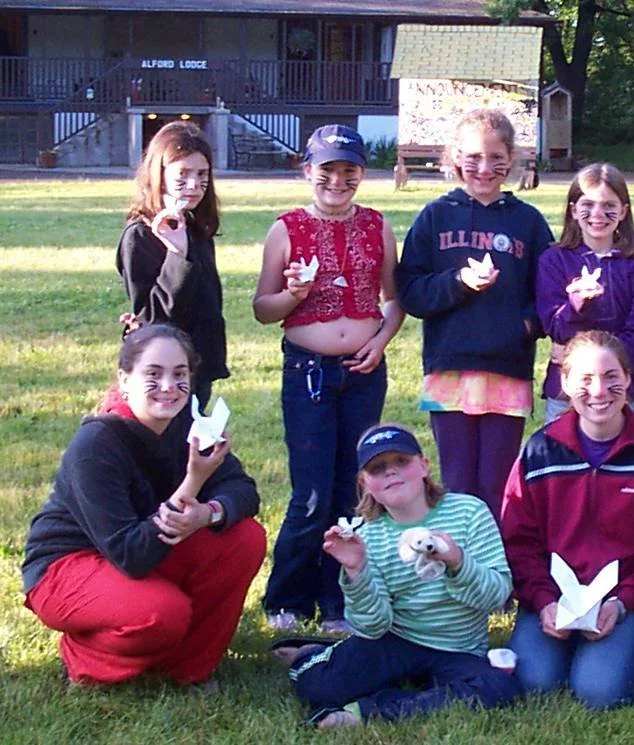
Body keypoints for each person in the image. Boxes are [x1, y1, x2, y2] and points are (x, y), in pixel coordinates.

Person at [21, 324, 266, 688]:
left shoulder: (187, 424)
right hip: (68, 565)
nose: (168, 387)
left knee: (245, 537)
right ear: (125, 380)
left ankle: (188, 667)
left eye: (179, 374)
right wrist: (194, 481)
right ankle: (84, 658)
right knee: (161, 613)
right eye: (153, 374)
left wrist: (206, 513)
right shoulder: (97, 442)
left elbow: (243, 491)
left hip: (140, 550)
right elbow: (130, 554)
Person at [253, 124, 404, 634]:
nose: (337, 181)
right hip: (309, 373)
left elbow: (394, 298)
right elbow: (262, 308)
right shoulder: (287, 228)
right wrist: (295, 294)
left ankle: (338, 597)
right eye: (327, 170)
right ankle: (287, 598)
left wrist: (380, 342)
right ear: (308, 171)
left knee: (353, 489)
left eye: (349, 171)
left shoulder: (378, 226)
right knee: (311, 493)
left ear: (361, 174)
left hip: (364, 372)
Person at [275, 424, 521, 729]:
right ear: (365, 483)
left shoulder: (470, 512)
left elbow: (496, 596)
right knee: (318, 687)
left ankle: (372, 709)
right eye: (378, 469)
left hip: (458, 648)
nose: (391, 472)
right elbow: (373, 625)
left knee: (500, 689)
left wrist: (457, 562)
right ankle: (312, 653)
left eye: (401, 462)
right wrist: (357, 571)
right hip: (396, 639)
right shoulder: (368, 536)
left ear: (423, 466)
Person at [501, 331, 634, 709]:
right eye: (584, 379)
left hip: (626, 601)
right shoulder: (540, 451)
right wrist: (543, 600)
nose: (599, 390)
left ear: (629, 379)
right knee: (535, 682)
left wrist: (623, 602)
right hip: (555, 598)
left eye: (610, 376)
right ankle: (578, 646)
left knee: (599, 692)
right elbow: (517, 541)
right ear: (565, 383)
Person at [395, 108, 554, 518]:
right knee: (459, 483)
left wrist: (524, 325)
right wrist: (459, 282)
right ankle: (459, 572)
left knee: (498, 485)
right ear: (454, 158)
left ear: (512, 160)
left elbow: (549, 293)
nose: (485, 168)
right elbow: (411, 291)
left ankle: (497, 576)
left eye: (496, 158)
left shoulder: (528, 221)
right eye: (473, 158)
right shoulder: (435, 216)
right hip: (449, 370)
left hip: (507, 370)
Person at [536, 162, 634, 422]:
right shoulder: (554, 260)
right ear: (573, 210)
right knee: (562, 457)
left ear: (623, 212)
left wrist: (601, 368)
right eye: (588, 205)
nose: (598, 214)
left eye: (609, 206)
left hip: (620, 393)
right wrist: (578, 304)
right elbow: (555, 327)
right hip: (566, 391)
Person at [117, 121, 227, 410]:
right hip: (166, 371)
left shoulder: (194, 226)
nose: (194, 185)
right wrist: (177, 254)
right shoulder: (140, 235)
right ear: (160, 175)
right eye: (183, 175)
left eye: (202, 175)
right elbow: (151, 316)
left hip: (199, 361)